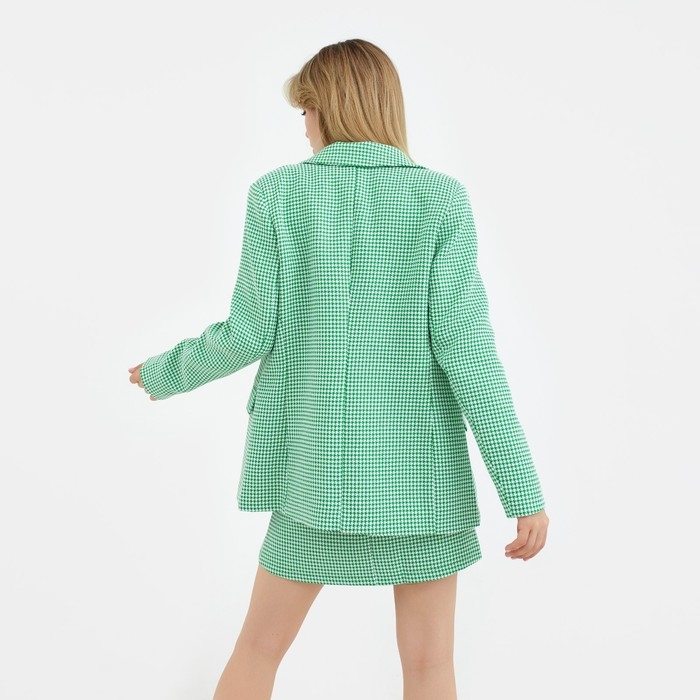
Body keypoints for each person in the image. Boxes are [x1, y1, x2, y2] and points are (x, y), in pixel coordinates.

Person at [128, 38, 549, 700]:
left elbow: (247, 333)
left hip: (312, 478)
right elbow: (469, 355)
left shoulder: (278, 195)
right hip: (422, 487)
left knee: (258, 649)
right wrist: (521, 491)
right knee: (430, 667)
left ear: (327, 107)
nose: (302, 125)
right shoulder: (441, 201)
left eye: (305, 110)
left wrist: (165, 372)